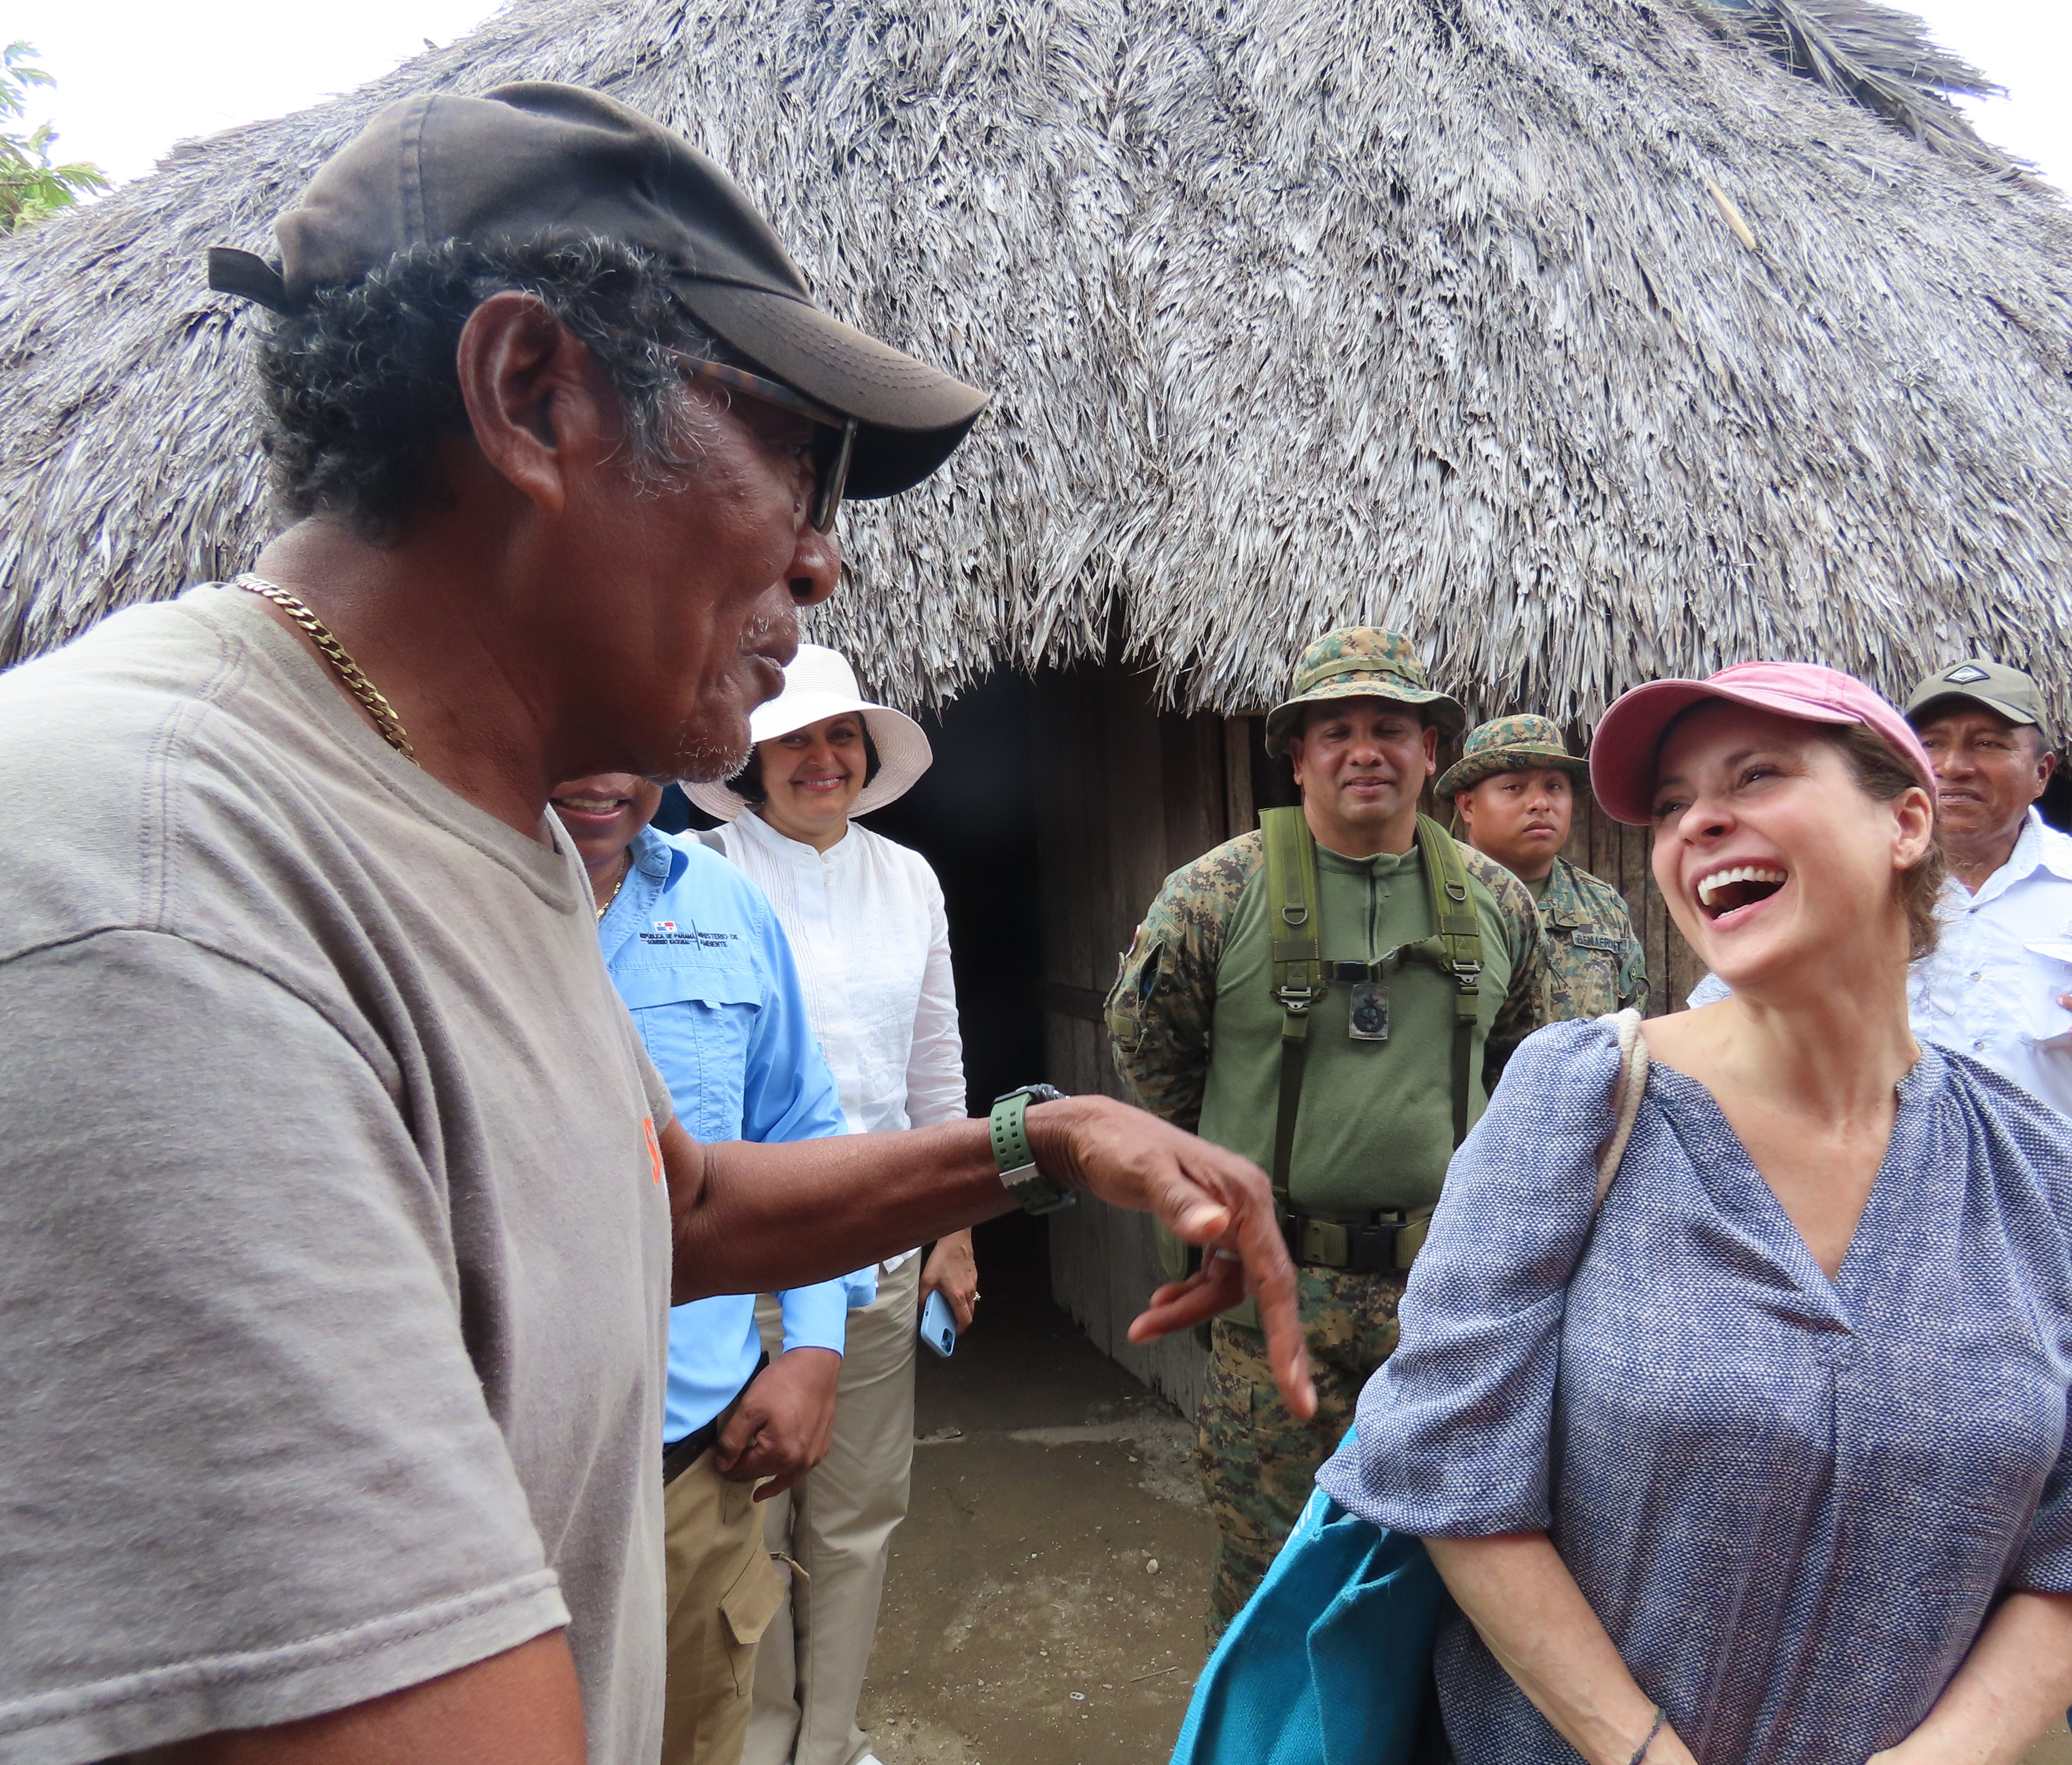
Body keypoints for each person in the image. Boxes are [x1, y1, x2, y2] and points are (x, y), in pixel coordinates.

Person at [0, 84, 1310, 1765]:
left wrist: (1045, 1141)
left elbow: (665, 1200)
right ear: (531, 395)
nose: (823, 564)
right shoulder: (161, 894)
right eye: (795, 455)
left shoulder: (492, 836)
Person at [1322, 661, 2072, 1765]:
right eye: (1675, 803)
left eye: (1757, 773)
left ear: (1906, 820)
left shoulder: (2054, 1180)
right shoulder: (1579, 1100)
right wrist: (1639, 1748)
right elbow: (1447, 1463)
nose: (1699, 822)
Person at [1688, 657, 2072, 1765]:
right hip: (1895, 1280)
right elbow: (1717, 1028)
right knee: (1896, 1534)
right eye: (1933, 741)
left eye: (1987, 742)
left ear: (2040, 766)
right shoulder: (1859, 883)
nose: (1956, 764)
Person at [1106, 627, 1546, 1633]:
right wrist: (1235, 1175)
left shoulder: (1496, 903)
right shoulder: (1214, 894)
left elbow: (1521, 1073)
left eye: (1390, 727)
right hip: (1278, 1299)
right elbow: (1152, 1053)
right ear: (1296, 755)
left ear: (1430, 750)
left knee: (1448, 1582)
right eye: (1334, 731)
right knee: (1272, 1588)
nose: (1364, 750)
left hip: (1446, 1303)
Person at [681, 646, 968, 1765]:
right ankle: (753, 1740)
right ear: (750, 759)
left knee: (856, 1509)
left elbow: (935, 1065)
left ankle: (831, 1737)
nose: (823, 757)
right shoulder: (694, 875)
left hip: (880, 1243)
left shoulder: (908, 878)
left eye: (841, 734)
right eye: (795, 737)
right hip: (741, 1245)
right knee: (741, 1510)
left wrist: (952, 1226)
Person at [552, 773, 873, 1765]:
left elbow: (798, 1128)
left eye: (629, 745)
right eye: (577, 735)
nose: (603, 774)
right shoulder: (420, 888)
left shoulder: (721, 901)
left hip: (690, 1461)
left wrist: (814, 1345)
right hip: (490, 1482)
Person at [1439, 713, 1647, 1020]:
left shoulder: (1603, 906)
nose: (1540, 803)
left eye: (1554, 787)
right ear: (1468, 806)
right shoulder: (1435, 894)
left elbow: (1632, 1022)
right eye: (1514, 787)